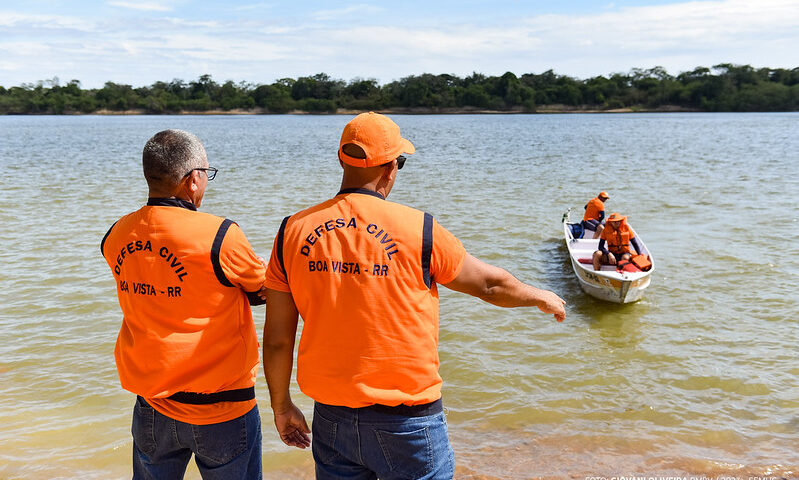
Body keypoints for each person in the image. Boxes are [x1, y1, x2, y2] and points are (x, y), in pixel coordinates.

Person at [261, 112, 566, 480]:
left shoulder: (292, 230)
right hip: (407, 422)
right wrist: (539, 295)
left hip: (332, 417)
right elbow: (488, 285)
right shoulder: (419, 229)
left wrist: (281, 406)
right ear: (391, 167)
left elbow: (278, 338)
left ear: (342, 160)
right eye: (399, 163)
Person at [100, 129, 266, 479]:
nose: (206, 182)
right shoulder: (221, 234)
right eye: (207, 174)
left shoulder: (117, 234)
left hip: (152, 405)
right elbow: (263, 289)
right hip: (222, 408)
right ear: (192, 180)